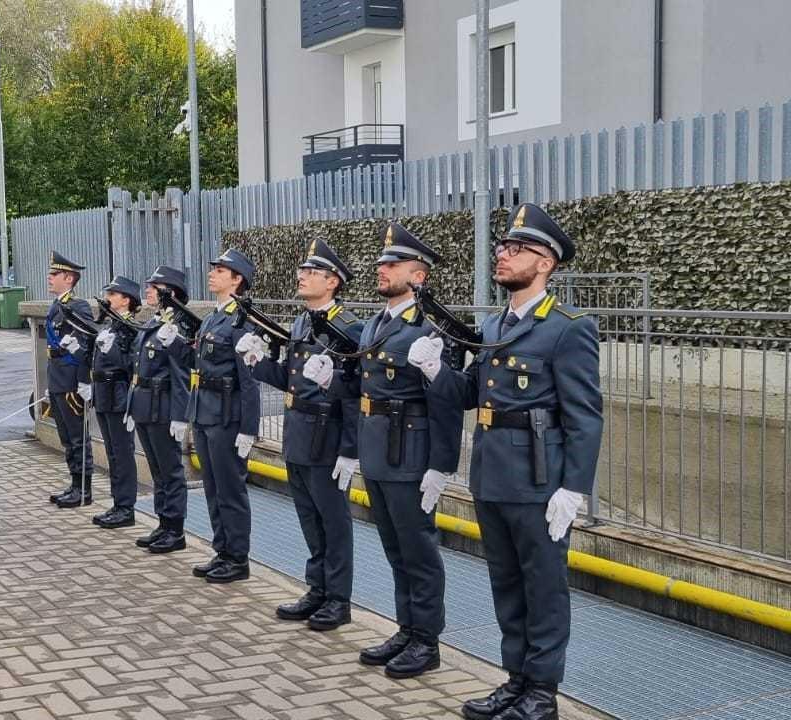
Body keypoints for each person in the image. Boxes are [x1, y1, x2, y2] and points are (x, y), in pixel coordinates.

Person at [418, 203, 603, 720]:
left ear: (545, 263)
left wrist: (574, 488)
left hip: (540, 482)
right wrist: (436, 371)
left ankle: (542, 693)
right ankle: (515, 680)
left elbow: (585, 416)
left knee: (543, 588)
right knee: (506, 585)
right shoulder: (498, 322)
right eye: (503, 246)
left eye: (517, 249)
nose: (503, 254)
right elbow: (471, 395)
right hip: (493, 475)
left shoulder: (568, 328)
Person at [352, 221, 465, 680]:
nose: (382, 268)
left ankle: (427, 640)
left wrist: (441, 465)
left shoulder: (434, 328)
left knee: (418, 550)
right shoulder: (374, 324)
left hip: (411, 452)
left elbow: (449, 403)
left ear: (419, 276)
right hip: (377, 449)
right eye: (382, 262)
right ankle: (407, 627)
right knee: (395, 547)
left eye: (393, 263)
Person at [240, 238, 363, 631]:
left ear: (332, 282)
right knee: (309, 518)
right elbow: (290, 380)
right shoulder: (300, 323)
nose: (302, 276)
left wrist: (349, 450)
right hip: (298, 433)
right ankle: (317, 588)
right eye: (303, 271)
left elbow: (354, 393)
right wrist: (258, 362)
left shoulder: (348, 328)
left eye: (312, 272)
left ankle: (338, 599)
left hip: (328, 436)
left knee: (334, 522)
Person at [169, 248, 262, 584]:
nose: (212, 274)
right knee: (212, 487)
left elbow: (249, 380)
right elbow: (197, 363)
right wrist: (176, 343)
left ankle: (238, 558)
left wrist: (249, 429)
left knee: (230, 490)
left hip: (227, 416)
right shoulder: (211, 318)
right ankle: (222, 550)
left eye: (221, 270)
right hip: (205, 412)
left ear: (237, 279)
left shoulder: (242, 321)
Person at [126, 266, 194, 554]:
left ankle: (175, 529)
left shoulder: (178, 325)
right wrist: (131, 405)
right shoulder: (156, 320)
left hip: (164, 405)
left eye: (155, 286)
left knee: (170, 470)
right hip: (145, 403)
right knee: (157, 470)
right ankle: (163, 522)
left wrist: (180, 415)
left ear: (172, 292)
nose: (148, 290)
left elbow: (180, 375)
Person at [90, 276, 143, 529]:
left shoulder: (131, 328)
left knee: (122, 453)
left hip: (119, 395)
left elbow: (131, 366)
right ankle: (117, 502)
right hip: (103, 393)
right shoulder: (111, 326)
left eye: (113, 294)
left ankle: (126, 507)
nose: (108, 298)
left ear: (126, 300)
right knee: (112, 452)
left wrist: (111, 349)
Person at [44, 251, 96, 508]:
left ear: (69, 278)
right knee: (66, 437)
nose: (49, 278)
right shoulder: (57, 305)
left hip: (71, 380)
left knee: (77, 437)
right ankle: (75, 484)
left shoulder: (78, 306)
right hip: (57, 377)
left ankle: (84, 489)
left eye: (55, 274)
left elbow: (86, 344)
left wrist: (83, 381)